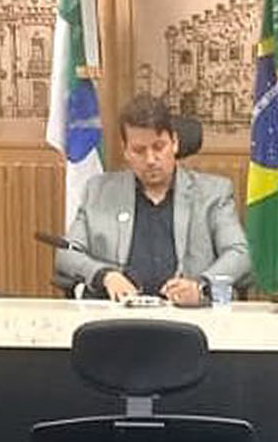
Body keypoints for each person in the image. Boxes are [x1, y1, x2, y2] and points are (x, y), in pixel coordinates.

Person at [53, 94, 251, 304]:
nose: (150, 160)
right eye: (139, 150)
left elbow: (240, 253)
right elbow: (67, 255)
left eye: (158, 147)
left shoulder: (213, 193)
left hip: (185, 315)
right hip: (118, 314)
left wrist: (200, 287)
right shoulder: (99, 191)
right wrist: (104, 276)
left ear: (174, 143)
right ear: (126, 151)